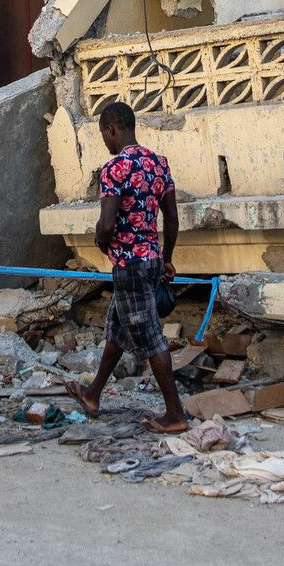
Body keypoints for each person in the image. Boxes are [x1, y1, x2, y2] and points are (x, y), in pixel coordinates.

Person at [65, 101, 188, 434]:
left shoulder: (115, 168)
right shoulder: (158, 164)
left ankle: (175, 414)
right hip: (150, 259)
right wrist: (166, 258)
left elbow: (106, 224)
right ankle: (92, 394)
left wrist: (103, 244)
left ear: (112, 129)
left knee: (151, 340)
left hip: (129, 264)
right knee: (117, 330)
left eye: (104, 134)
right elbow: (172, 218)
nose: (105, 141)